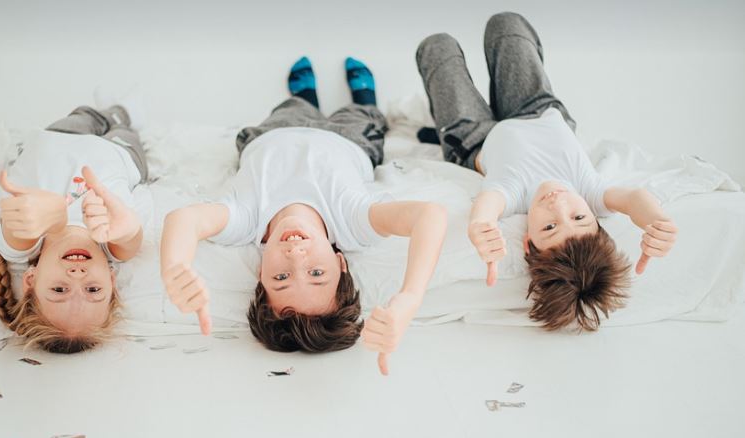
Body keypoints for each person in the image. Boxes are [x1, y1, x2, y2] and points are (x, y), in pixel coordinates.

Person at [160, 56, 447, 374]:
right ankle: (365, 98)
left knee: (293, 105)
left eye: (281, 278)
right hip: (349, 138)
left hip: (276, 133)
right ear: (341, 263)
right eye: (317, 273)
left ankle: (306, 97)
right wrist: (410, 296)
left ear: (261, 274)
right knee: (364, 115)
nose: (296, 256)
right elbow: (429, 216)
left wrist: (175, 267)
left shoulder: (245, 220)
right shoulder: (354, 221)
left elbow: (184, 219)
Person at [415, 12, 678, 330]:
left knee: (437, 47)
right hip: (536, 109)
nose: (559, 205)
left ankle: (442, 130)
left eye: (550, 227)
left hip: (474, 139)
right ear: (596, 218)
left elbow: (489, 203)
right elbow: (634, 198)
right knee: (506, 24)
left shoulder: (517, 194)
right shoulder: (590, 190)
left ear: (528, 242)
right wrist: (657, 221)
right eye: (579, 218)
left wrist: (481, 225)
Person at [0, 99, 149, 352]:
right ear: (111, 280)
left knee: (86, 115)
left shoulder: (21, 247)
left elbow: (18, 231)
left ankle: (102, 114)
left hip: (58, 138)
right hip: (119, 153)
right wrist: (128, 227)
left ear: (31, 279)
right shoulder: (112, 244)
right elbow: (130, 239)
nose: (77, 276)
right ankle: (120, 116)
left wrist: (54, 220)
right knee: (124, 128)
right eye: (93, 289)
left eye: (59, 289)